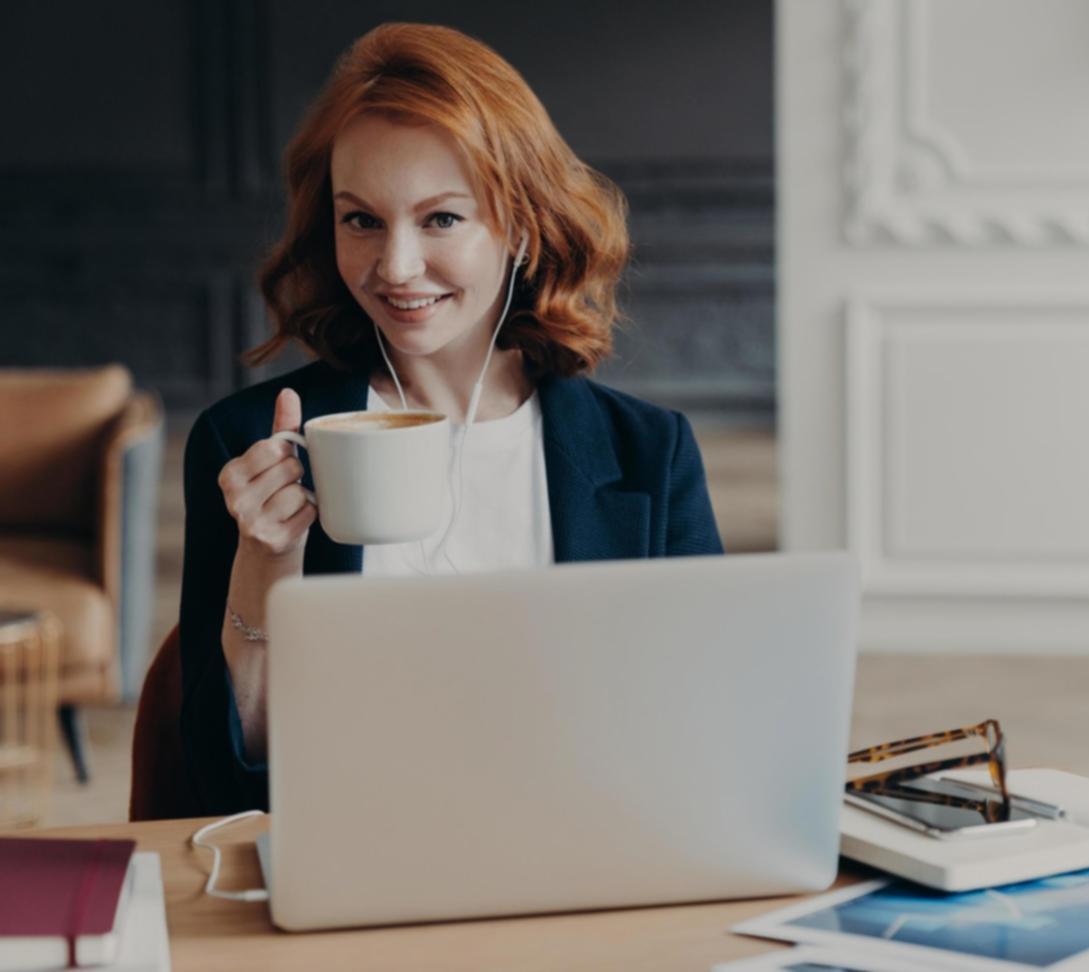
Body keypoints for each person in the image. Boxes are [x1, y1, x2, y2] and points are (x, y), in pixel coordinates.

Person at [179, 22, 723, 815]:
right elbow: (220, 786)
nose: (395, 268)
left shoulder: (649, 454)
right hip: (348, 862)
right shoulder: (247, 444)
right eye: (360, 219)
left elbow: (705, 734)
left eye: (441, 219)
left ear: (524, 226)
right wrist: (265, 573)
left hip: (583, 855)